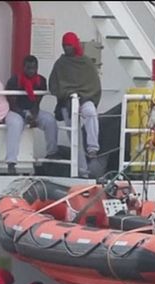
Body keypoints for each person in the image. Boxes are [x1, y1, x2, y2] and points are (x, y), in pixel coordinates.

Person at [49, 32, 102, 178]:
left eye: (69, 45)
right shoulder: (60, 64)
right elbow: (54, 85)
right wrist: (68, 94)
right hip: (67, 102)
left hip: (85, 99)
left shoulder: (86, 62)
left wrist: (82, 96)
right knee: (74, 136)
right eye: (64, 45)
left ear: (75, 45)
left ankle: (93, 149)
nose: (66, 48)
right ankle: (82, 171)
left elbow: (94, 85)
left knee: (91, 112)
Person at [4, 55, 59, 175]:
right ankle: (11, 162)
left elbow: (37, 102)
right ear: (23, 67)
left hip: (33, 111)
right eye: (28, 68)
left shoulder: (41, 81)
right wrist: (25, 115)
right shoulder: (14, 80)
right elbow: (12, 103)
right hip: (16, 112)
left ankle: (52, 154)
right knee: (14, 124)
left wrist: (33, 115)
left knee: (50, 121)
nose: (31, 71)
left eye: (34, 68)